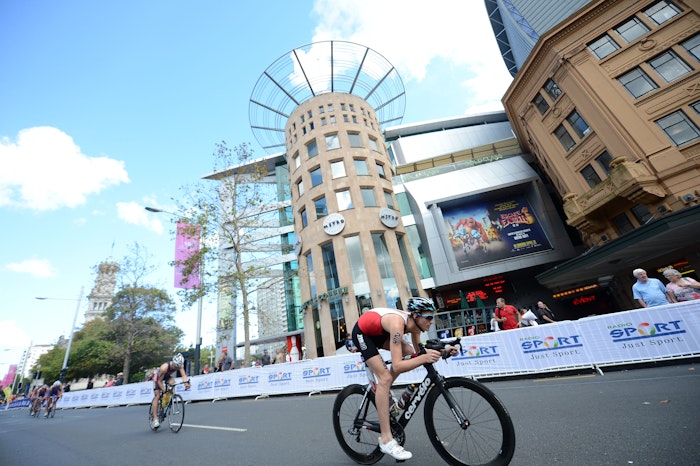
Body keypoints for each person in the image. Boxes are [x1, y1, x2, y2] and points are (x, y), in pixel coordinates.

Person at [351, 297, 456, 461]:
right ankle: (386, 439)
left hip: (380, 332)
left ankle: (384, 391)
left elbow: (419, 352)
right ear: (416, 315)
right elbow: (399, 365)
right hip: (362, 333)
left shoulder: (416, 327)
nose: (431, 321)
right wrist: (424, 358)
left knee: (408, 351)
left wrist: (443, 351)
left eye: (433, 317)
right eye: (429, 317)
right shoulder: (398, 325)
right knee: (385, 379)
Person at [150, 353, 191, 429]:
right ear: (173, 362)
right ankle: (155, 419)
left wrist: (186, 383)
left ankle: (166, 400)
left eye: (177, 367)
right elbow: (159, 381)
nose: (176, 368)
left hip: (167, 376)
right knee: (157, 395)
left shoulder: (180, 365)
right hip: (158, 378)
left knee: (172, 382)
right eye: (175, 366)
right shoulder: (164, 367)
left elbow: (183, 375)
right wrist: (164, 391)